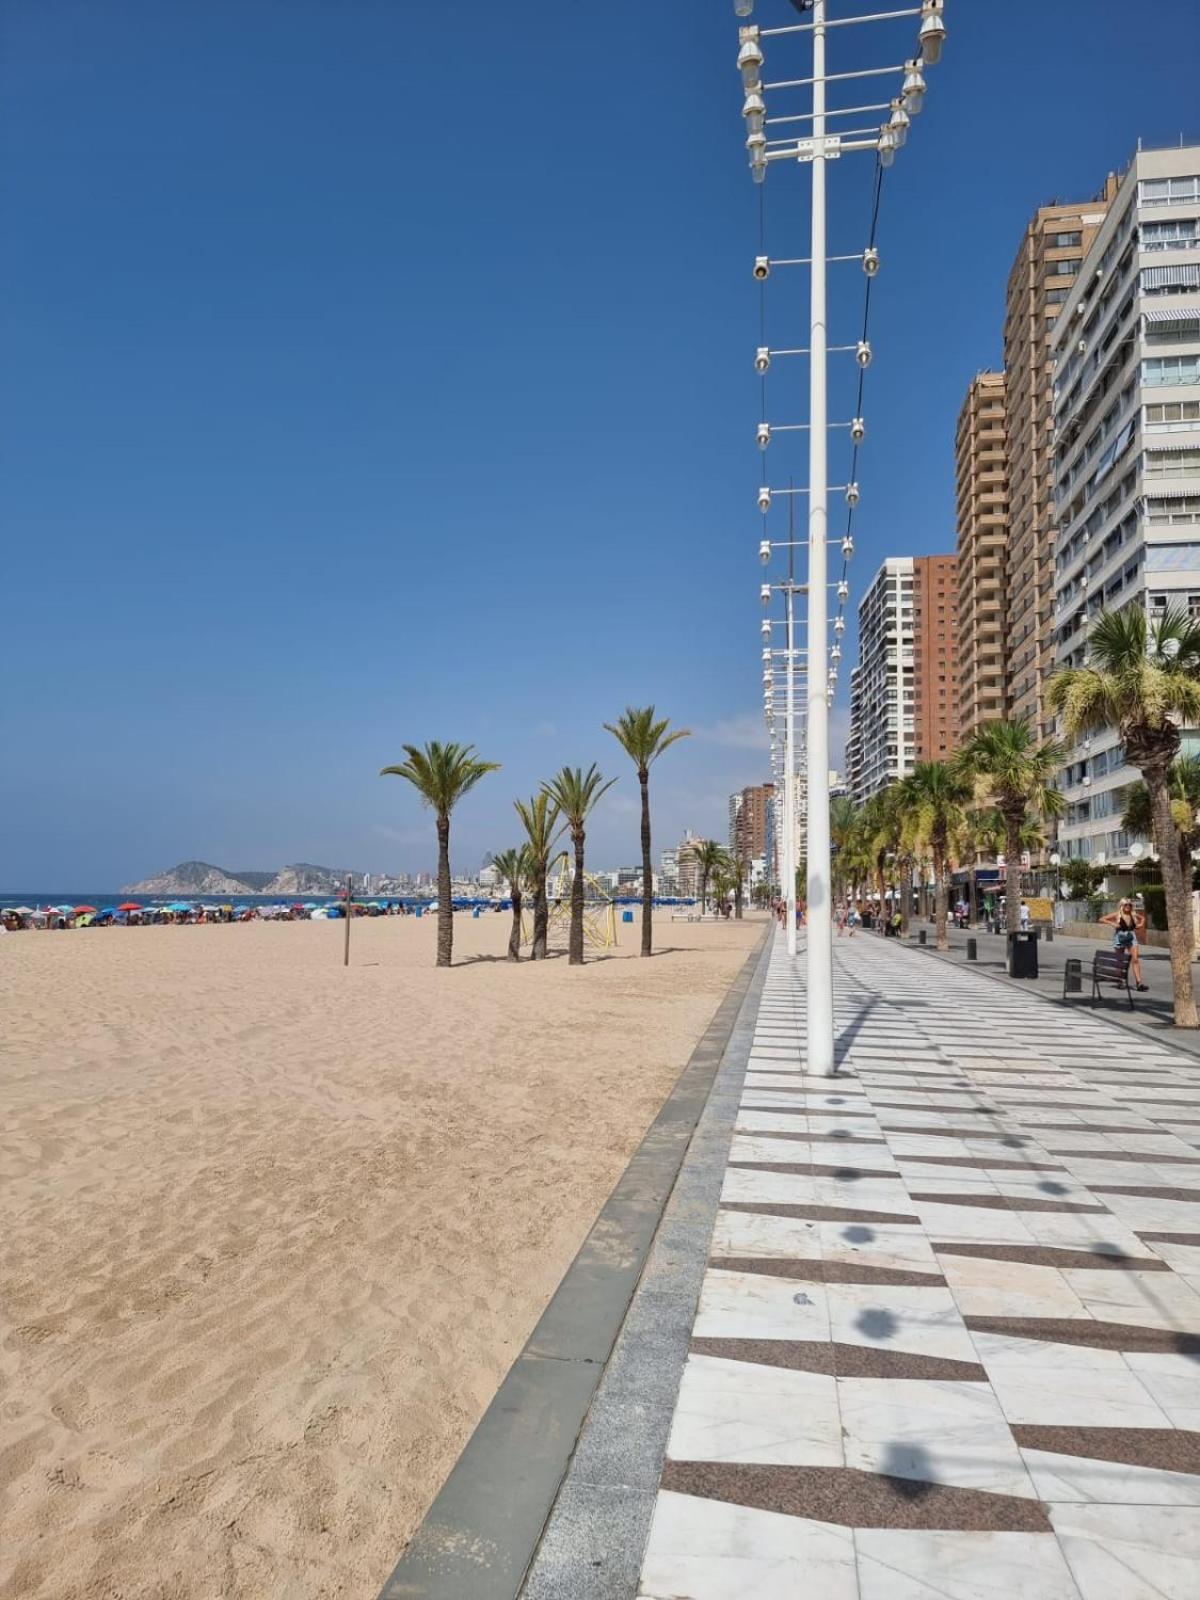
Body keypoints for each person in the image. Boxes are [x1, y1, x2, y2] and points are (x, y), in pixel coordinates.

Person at [1102, 897, 1149, 991]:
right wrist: (1113, 924)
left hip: (1131, 938)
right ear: (1121, 906)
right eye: (1126, 905)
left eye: (1130, 905)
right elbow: (1102, 919)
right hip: (1119, 938)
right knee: (1120, 961)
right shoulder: (1117, 914)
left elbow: (1143, 918)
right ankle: (1120, 981)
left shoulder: (1133, 914)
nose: (1128, 906)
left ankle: (1139, 983)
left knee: (1135, 959)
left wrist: (1140, 925)